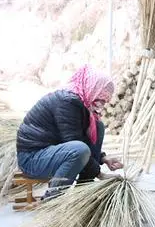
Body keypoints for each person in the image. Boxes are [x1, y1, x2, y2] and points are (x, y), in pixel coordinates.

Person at [16, 65, 123, 199]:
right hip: (33, 159)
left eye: (105, 101)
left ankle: (84, 186)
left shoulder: (80, 102)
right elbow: (75, 143)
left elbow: (81, 137)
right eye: (100, 98)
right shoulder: (67, 102)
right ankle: (53, 198)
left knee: (97, 125)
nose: (101, 104)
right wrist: (100, 174)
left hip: (52, 153)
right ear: (91, 88)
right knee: (79, 149)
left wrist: (103, 158)